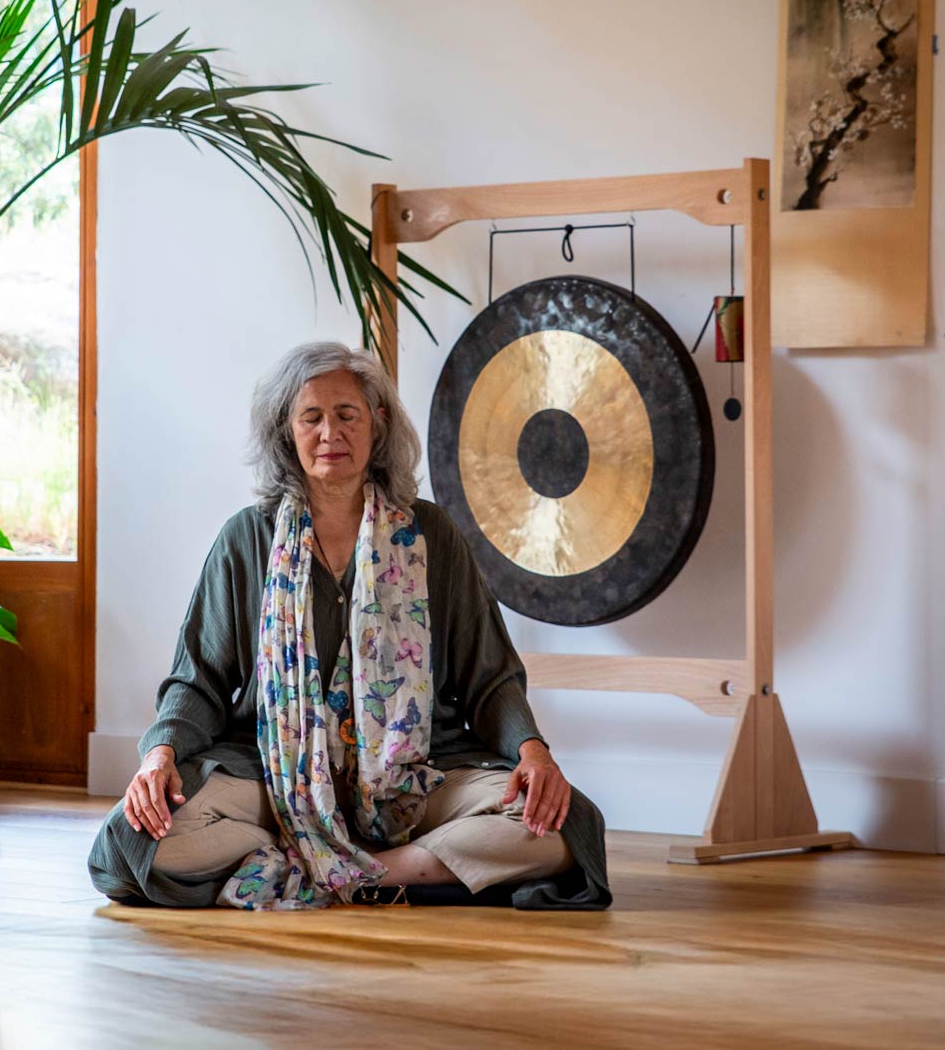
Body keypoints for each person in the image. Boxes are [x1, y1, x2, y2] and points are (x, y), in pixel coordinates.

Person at [89, 342, 612, 910]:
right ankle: (380, 866)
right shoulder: (247, 539)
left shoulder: (430, 533)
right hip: (272, 774)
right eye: (310, 417)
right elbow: (200, 682)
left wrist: (534, 755)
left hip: (417, 774)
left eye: (347, 415)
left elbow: (490, 678)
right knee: (132, 841)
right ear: (286, 431)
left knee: (563, 827)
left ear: (377, 423)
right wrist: (159, 756)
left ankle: (350, 871)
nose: (329, 433)